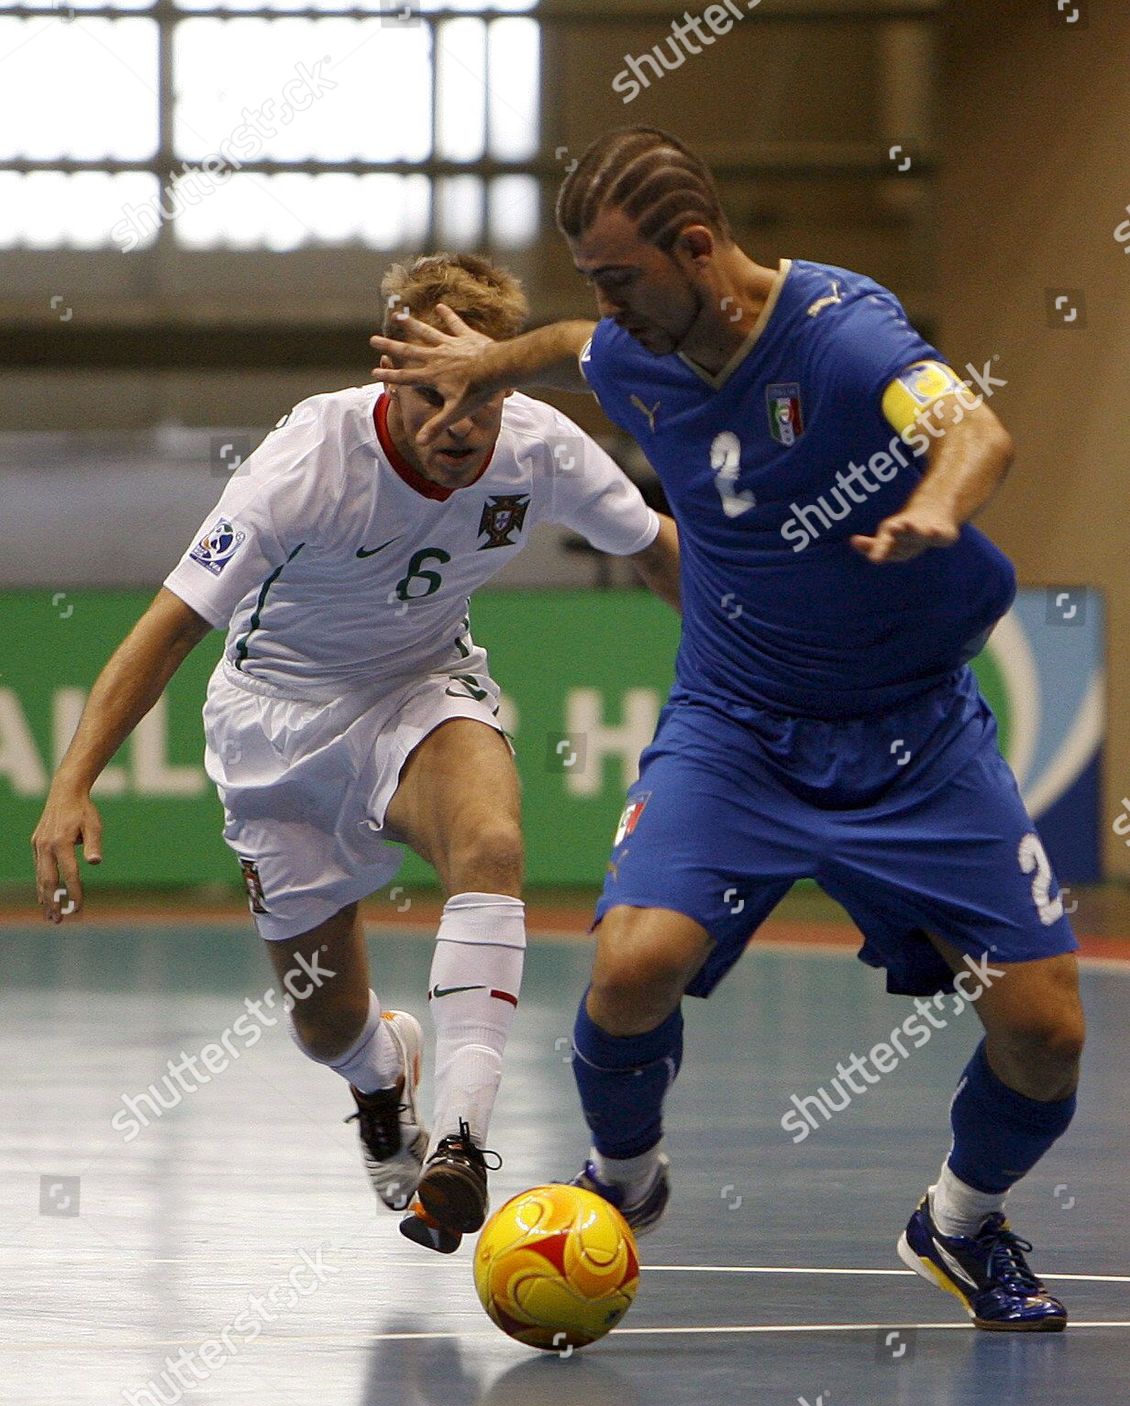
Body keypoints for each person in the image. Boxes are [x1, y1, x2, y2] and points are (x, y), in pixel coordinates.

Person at [369, 131, 1085, 1328]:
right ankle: (623, 1181)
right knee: (631, 967)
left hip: (916, 738)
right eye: (588, 282)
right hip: (737, 727)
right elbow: (569, 347)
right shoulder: (635, 345)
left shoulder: (846, 336)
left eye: (615, 279)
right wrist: (494, 360)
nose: (600, 309)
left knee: (1044, 1029)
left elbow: (976, 434)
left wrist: (930, 510)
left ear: (694, 250)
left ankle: (957, 1224)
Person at [32, 251, 680, 1257]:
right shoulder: (309, 456)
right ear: (388, 373)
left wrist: (771, 657)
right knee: (325, 1025)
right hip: (274, 728)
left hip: (419, 692)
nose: (457, 422)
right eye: (430, 396)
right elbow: (168, 625)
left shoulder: (542, 449)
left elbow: (655, 551)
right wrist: (71, 783)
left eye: (483, 392)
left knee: (492, 841)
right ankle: (383, 1081)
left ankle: (458, 1147)